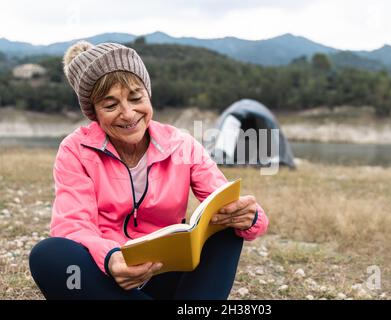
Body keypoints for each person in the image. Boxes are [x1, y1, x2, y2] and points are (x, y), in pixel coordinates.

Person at [28, 41, 269, 300]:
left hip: (166, 273)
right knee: (48, 255)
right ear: (94, 113)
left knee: (225, 226)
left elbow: (227, 201)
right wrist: (111, 259)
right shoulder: (76, 150)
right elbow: (72, 226)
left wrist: (249, 217)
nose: (128, 114)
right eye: (110, 106)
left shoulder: (182, 144)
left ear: (148, 93)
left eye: (136, 98)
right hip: (109, 275)